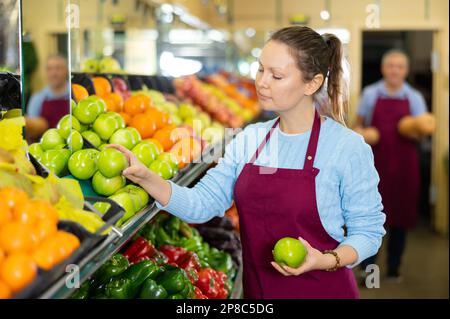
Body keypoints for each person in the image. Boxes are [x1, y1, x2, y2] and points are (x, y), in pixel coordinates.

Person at [111, 26, 386, 299]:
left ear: (311, 83)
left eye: (276, 76)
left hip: (323, 290)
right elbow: (202, 204)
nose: (262, 82)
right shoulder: (250, 139)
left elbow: (368, 232)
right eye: (260, 69)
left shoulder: (346, 147)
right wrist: (147, 177)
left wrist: (324, 259)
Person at [354, 49, 435, 282]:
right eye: (390, 66)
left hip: (404, 168)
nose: (395, 70)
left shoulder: (414, 98)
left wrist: (417, 130)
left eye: (399, 66)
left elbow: (422, 134)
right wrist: (363, 133)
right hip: (374, 167)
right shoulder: (370, 94)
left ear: (405, 70)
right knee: (372, 217)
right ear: (383, 69)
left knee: (400, 217)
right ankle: (369, 269)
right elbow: (358, 125)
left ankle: (393, 269)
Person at [25, 54, 70, 141]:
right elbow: (32, 128)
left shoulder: (76, 94)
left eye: (58, 68)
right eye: (50, 69)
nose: (54, 73)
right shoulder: (37, 98)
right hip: (45, 149)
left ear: (66, 71)